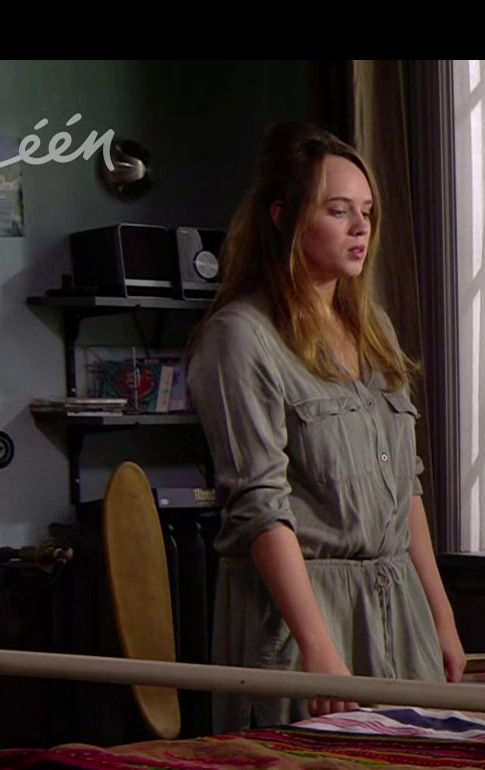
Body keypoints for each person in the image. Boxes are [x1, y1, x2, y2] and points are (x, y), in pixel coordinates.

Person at [186, 121, 464, 730]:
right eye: (338, 210)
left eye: (366, 211)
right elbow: (260, 506)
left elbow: (407, 489)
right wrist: (317, 645)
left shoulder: (374, 330)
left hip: (399, 611)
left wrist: (440, 618)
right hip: (305, 615)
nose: (361, 227)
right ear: (283, 217)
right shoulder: (242, 338)